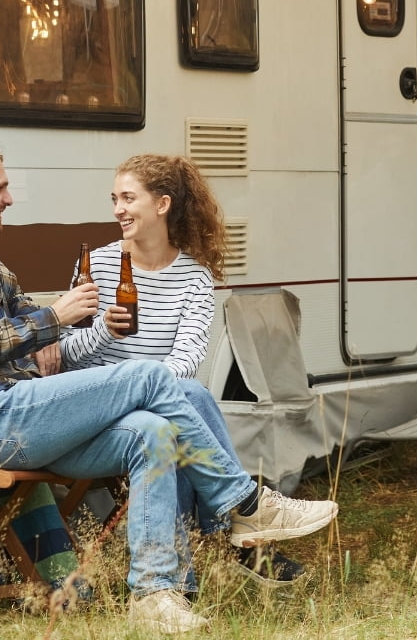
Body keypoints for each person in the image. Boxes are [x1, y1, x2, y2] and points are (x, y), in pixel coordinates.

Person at [0, 138, 337, 634]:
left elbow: (26, 319)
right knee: (153, 378)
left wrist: (47, 325)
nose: (9, 198)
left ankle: (156, 596)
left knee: (154, 433)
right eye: (1, 187)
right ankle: (244, 506)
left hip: (39, 419)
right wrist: (55, 320)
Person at [37, 153, 303, 584]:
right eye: (114, 199)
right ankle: (238, 525)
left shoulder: (194, 278)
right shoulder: (99, 265)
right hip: (102, 408)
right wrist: (105, 331)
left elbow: (188, 357)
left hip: (159, 409)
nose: (118, 209)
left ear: (161, 205)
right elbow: (67, 354)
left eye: (128, 198)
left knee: (175, 415)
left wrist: (155, 391)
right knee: (192, 399)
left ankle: (180, 585)